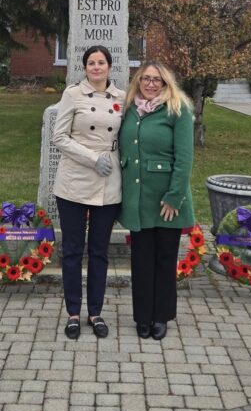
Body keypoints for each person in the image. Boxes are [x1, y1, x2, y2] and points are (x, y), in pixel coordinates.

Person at [52, 45, 125, 339]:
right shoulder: (73, 95)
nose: (96, 67)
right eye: (91, 63)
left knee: (99, 252)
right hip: (75, 181)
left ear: (109, 66)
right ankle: (72, 312)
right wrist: (93, 159)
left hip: (109, 183)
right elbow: (59, 137)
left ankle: (95, 312)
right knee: (72, 251)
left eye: (101, 62)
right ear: (85, 68)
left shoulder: (121, 98)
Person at [119, 61, 195, 341]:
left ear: (166, 84)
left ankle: (161, 316)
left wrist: (175, 196)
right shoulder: (129, 109)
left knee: (164, 259)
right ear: (138, 81)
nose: (151, 85)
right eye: (146, 79)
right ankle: (142, 317)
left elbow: (184, 157)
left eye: (157, 81)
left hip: (166, 200)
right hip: (139, 199)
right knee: (141, 261)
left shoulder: (178, 109)